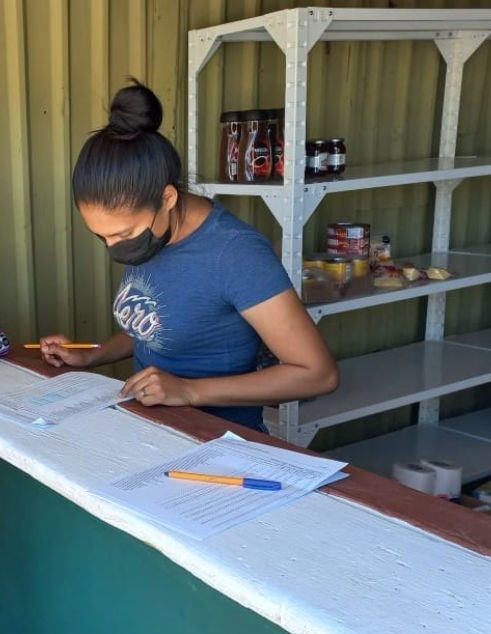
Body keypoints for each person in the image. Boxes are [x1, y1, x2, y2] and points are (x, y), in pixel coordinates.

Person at [39, 83, 338, 430]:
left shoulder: (236, 254)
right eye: (100, 235)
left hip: (217, 444)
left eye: (122, 234)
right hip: (151, 431)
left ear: (166, 198)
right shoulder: (154, 234)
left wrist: (189, 391)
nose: (112, 247)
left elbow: (318, 374)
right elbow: (159, 325)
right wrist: (91, 355)